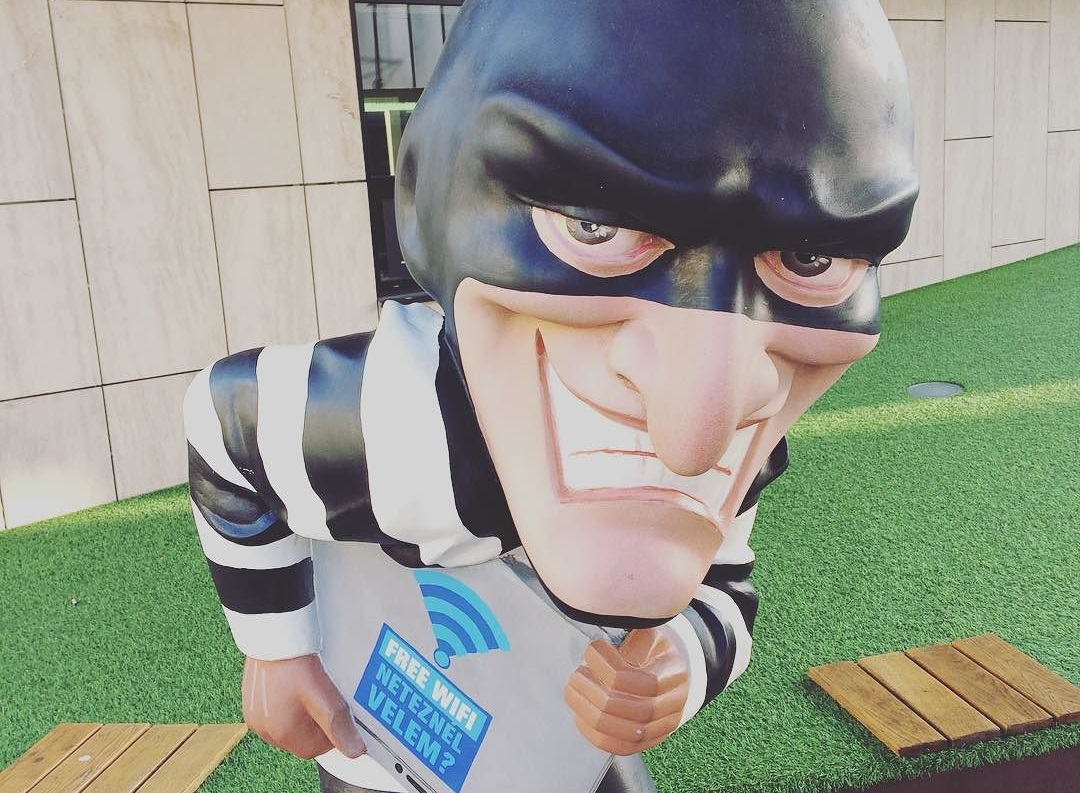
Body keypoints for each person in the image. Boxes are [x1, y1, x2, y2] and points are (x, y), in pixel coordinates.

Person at [184, 1, 918, 791]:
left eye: (811, 258)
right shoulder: (393, 416)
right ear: (424, 193)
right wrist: (278, 647)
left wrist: (673, 667)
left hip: (553, 746)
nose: (694, 432)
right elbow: (226, 431)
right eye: (594, 224)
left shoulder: (744, 440)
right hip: (387, 732)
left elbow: (725, 588)